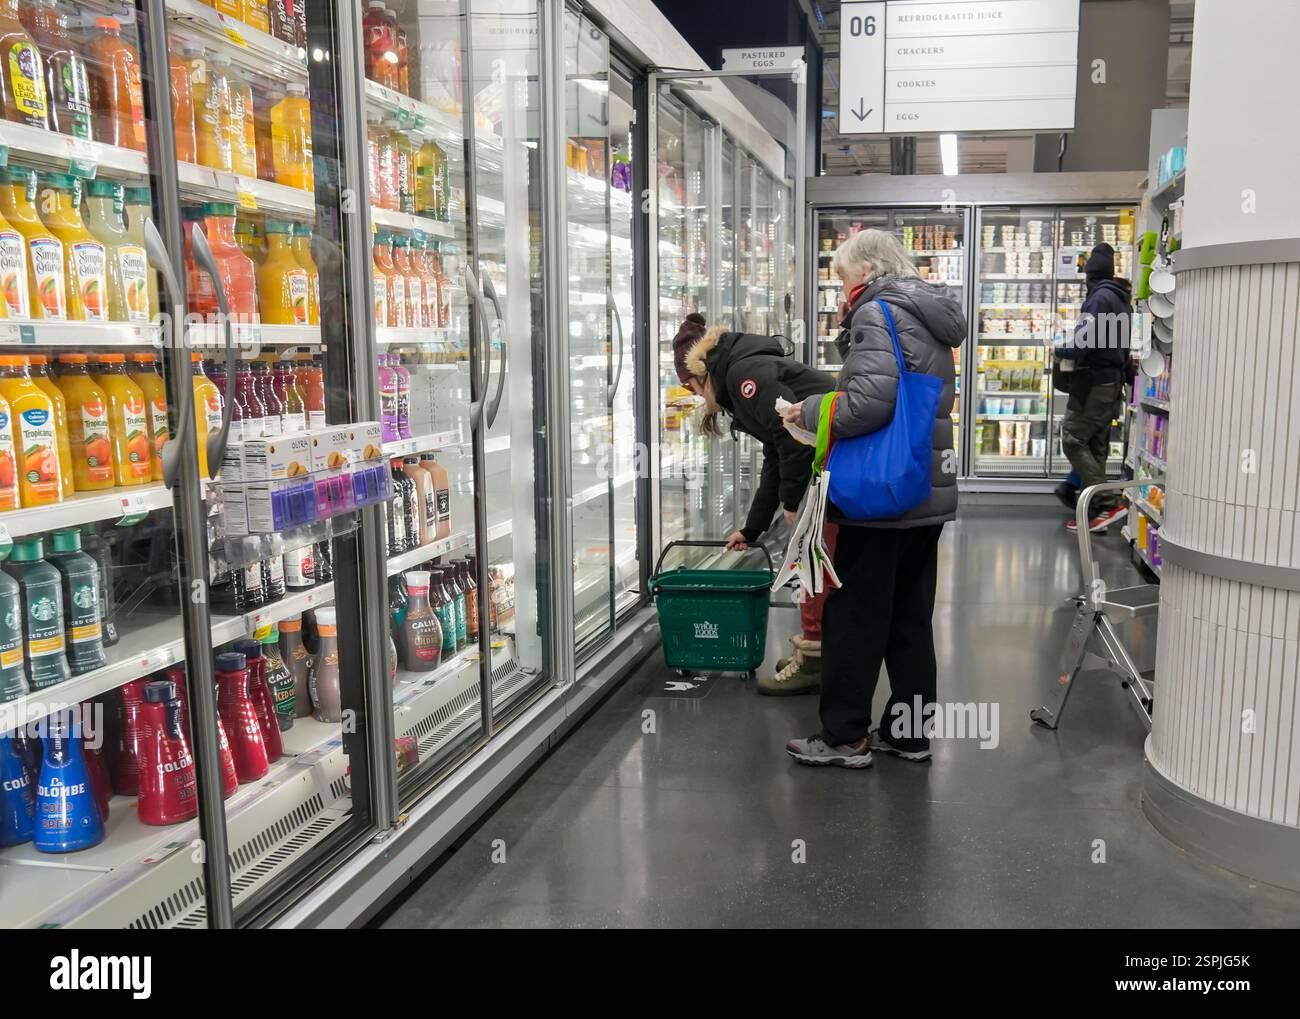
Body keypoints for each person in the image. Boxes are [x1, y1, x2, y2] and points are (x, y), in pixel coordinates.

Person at [778, 228, 964, 769]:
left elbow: (866, 406)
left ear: (864, 271)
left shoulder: (878, 311)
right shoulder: (927, 313)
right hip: (924, 490)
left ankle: (844, 737)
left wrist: (806, 412)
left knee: (855, 615)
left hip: (881, 497)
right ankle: (909, 733)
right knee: (909, 616)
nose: (840, 287)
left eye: (841, 277)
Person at [672, 313, 835, 694]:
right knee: (814, 562)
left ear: (700, 374)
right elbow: (775, 457)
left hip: (832, 458)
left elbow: (791, 438)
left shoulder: (745, 376)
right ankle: (818, 652)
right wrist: (752, 528)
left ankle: (816, 657)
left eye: (692, 387)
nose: (696, 396)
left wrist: (794, 504)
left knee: (814, 561)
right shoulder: (738, 374)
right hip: (826, 457)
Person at [1057, 242, 1133, 532]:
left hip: (1094, 382)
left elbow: (1083, 343)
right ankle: (1097, 518)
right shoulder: (1121, 299)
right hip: (1112, 383)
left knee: (1073, 438)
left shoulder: (1099, 298)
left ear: (1091, 274)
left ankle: (1107, 503)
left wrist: (1058, 349)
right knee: (1096, 445)